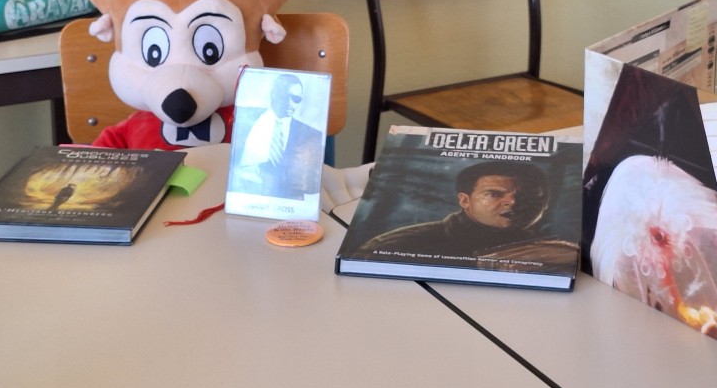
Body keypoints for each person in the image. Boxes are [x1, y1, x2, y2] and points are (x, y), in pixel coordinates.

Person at [357, 160, 554, 259]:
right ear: (465, 201)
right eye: (494, 194)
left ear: (545, 203)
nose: (512, 202)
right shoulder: (395, 246)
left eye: (528, 195)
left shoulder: (555, 250)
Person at [228, 73, 323, 200]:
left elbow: (309, 185)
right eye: (285, 97)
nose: (290, 103)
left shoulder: (311, 136)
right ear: (273, 94)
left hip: (288, 202)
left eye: (296, 99)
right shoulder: (244, 118)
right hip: (243, 195)